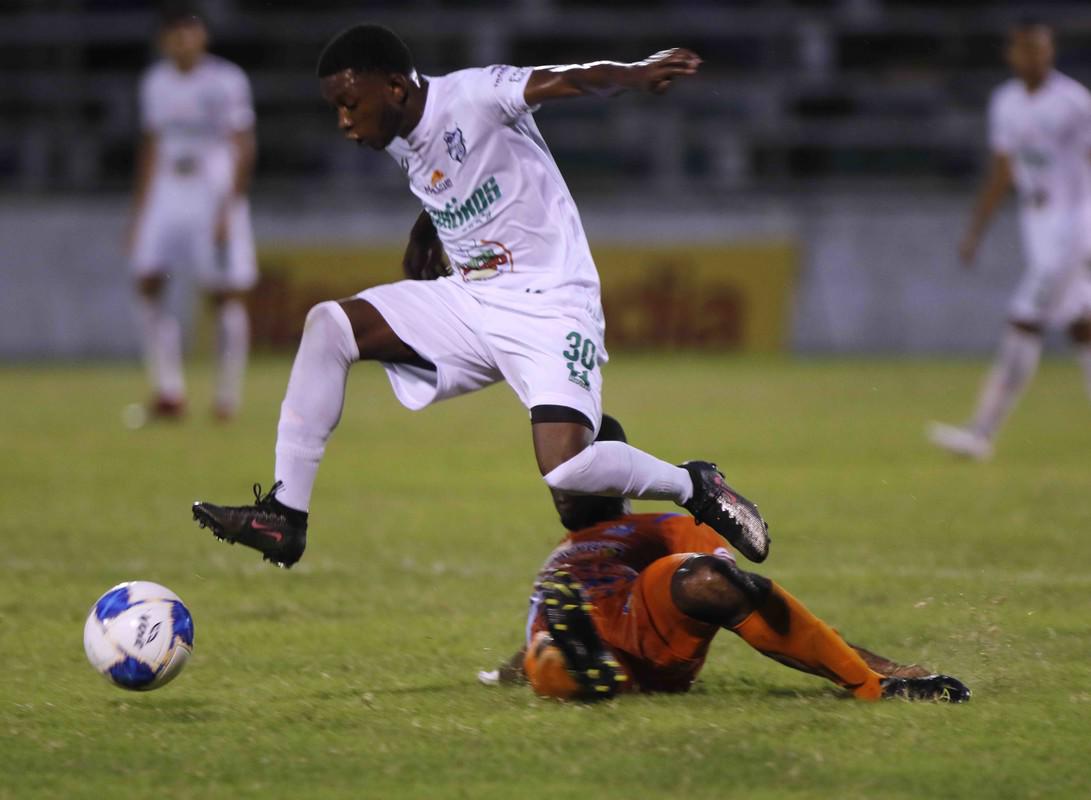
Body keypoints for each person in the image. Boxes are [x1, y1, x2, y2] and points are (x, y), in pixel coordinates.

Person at [191, 25, 771, 568]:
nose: (343, 122)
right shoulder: (396, 134)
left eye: (350, 104)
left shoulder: (471, 95)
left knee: (568, 470)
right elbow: (451, 177)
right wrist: (427, 229)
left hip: (551, 301)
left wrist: (634, 73)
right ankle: (285, 515)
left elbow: (567, 77)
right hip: (471, 301)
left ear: (394, 87)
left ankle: (694, 485)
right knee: (330, 326)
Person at [480, 416, 970, 703]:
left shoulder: (655, 527)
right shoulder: (560, 553)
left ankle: (873, 682)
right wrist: (502, 674)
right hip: (571, 640)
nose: (562, 482)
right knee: (546, 649)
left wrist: (888, 662)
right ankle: (584, 664)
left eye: (578, 468)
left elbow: (735, 590)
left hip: (642, 622)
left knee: (708, 579)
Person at [929, 18, 1091, 460]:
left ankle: (981, 433)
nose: (1035, 57)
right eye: (1026, 49)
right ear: (1012, 53)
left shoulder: (1075, 102)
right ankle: (981, 433)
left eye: (1042, 49)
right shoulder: (1006, 103)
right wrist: (975, 231)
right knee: (1082, 325)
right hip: (1036, 222)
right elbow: (1003, 171)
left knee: (1024, 319)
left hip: (1074, 224)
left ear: (1051, 51)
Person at [128, 4, 258, 421]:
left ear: (202, 36)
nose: (181, 39)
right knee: (147, 280)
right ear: (163, 39)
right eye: (173, 32)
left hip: (211, 187)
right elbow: (150, 145)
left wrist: (229, 208)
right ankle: (169, 390)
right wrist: (139, 214)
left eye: (188, 30)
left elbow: (243, 145)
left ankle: (226, 396)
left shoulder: (225, 79)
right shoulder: (155, 82)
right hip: (168, 187)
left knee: (223, 293)